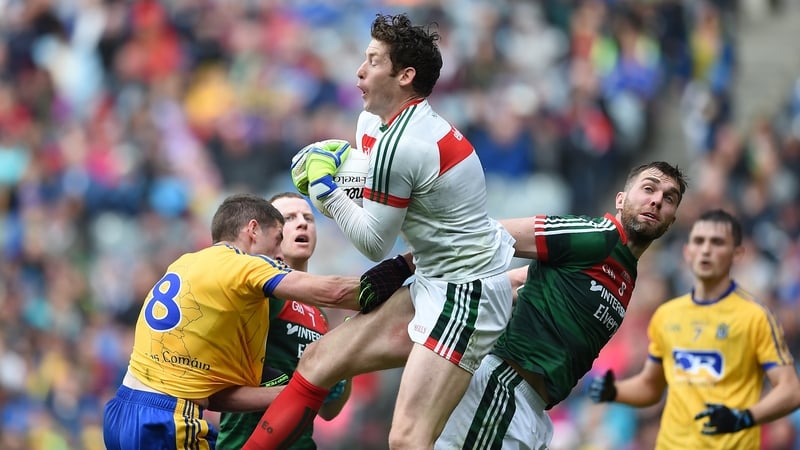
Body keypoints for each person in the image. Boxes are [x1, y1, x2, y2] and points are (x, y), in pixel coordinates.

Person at [245, 13, 517, 450]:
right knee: (317, 361)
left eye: (373, 61)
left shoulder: (406, 144)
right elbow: (379, 200)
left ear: (405, 76)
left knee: (408, 440)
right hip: (433, 277)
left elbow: (374, 242)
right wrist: (340, 174)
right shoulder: (374, 124)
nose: (359, 70)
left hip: (465, 296)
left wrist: (324, 189)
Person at [435, 161, 689, 449]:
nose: (656, 200)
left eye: (669, 198)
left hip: (532, 410)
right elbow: (489, 235)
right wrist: (403, 268)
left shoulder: (626, 273)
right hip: (503, 391)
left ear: (672, 221)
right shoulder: (595, 235)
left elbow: (525, 281)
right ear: (621, 199)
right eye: (648, 188)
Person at [102, 193, 365, 450]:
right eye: (277, 237)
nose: (278, 253)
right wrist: (399, 273)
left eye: (308, 217)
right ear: (252, 230)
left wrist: (300, 390)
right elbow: (335, 291)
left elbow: (216, 391)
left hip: (125, 408)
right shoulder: (246, 272)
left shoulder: (187, 263)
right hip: (169, 418)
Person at [589, 208, 800, 449]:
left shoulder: (756, 317)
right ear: (687, 253)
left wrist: (745, 417)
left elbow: (791, 390)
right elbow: (651, 387)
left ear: (737, 254)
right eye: (699, 241)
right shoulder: (667, 316)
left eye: (717, 242)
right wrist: (614, 391)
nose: (706, 250)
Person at [216, 192, 351, 449]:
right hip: (244, 441)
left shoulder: (318, 313)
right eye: (289, 218)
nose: (302, 223)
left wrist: (348, 362)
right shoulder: (255, 294)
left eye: (308, 218)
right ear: (270, 232)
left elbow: (329, 410)